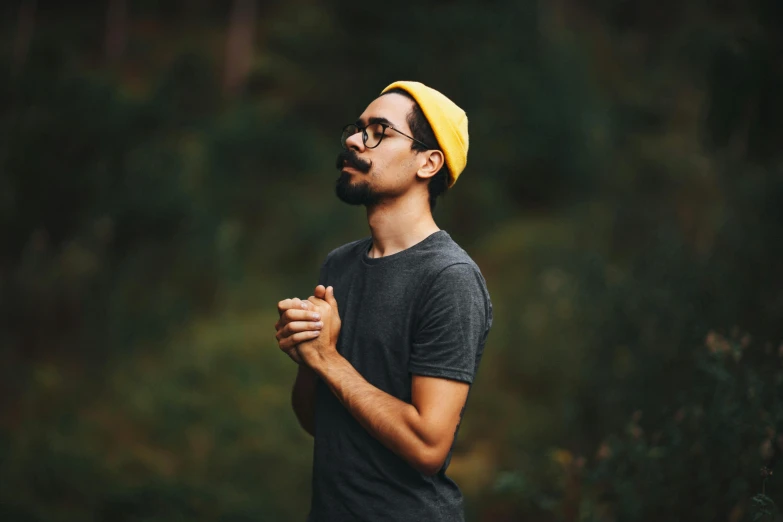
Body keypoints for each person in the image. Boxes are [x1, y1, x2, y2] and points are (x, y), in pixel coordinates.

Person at [274, 81, 493, 522]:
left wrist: (329, 360)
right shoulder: (339, 265)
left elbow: (429, 447)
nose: (355, 140)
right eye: (357, 128)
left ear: (428, 163)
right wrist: (307, 356)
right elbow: (317, 423)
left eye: (379, 130)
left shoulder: (448, 279)